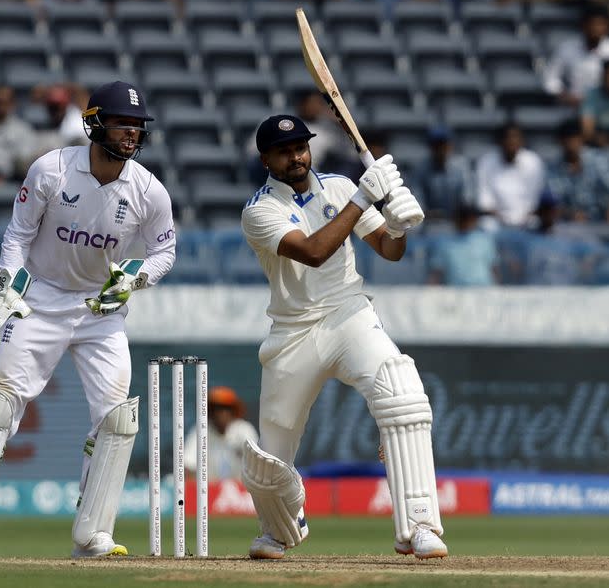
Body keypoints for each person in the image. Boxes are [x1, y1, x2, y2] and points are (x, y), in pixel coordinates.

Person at [0, 80, 176, 559]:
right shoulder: (50, 170)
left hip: (100, 310)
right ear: (94, 123)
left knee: (116, 419)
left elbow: (164, 250)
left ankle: (92, 536)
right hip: (40, 301)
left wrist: (135, 280)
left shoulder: (149, 190)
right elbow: (16, 238)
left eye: (137, 126)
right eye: (122, 123)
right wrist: (9, 287)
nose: (131, 134)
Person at [240, 114, 447, 560]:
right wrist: (364, 195)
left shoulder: (336, 186)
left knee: (403, 393)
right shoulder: (259, 211)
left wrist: (396, 224)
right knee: (271, 455)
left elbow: (389, 252)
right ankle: (279, 529)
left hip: (350, 313)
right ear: (266, 159)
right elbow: (314, 252)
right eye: (284, 151)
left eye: (301, 147)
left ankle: (420, 527)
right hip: (294, 332)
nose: (296, 157)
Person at [542, 3, 609, 107]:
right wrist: (565, 96)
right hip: (572, 106)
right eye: (592, 24)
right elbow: (550, 79)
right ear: (583, 25)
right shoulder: (566, 49)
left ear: (607, 27)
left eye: (600, 24)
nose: (596, 29)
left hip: (608, 108)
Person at [546, 117, 609, 223]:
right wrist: (571, 214)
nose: (571, 144)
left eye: (574, 139)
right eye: (567, 140)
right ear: (560, 142)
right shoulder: (554, 169)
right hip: (570, 224)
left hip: (602, 219)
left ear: (581, 139)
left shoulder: (598, 160)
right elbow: (556, 203)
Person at [475, 122, 545, 229]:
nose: (511, 141)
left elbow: (536, 199)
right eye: (507, 138)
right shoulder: (486, 162)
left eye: (515, 137)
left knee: (537, 223)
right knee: (486, 224)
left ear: (522, 141)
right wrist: (501, 217)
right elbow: (485, 200)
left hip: (527, 219)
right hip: (497, 219)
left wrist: (523, 218)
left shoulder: (534, 161)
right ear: (499, 141)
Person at [184, 386, 259, 481]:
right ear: (209, 412)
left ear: (233, 411)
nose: (222, 413)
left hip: (242, 489)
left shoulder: (243, 429)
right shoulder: (200, 432)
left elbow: (258, 465)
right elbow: (188, 467)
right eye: (216, 408)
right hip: (210, 489)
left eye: (226, 408)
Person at [409, 126, 473, 220]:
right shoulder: (421, 169)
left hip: (459, 221)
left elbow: (468, 197)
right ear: (430, 147)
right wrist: (428, 213)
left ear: (450, 145)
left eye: (443, 144)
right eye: (436, 145)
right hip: (429, 222)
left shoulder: (462, 166)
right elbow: (417, 200)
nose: (441, 149)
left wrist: (461, 211)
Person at [428, 204, 498, 285]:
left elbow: (493, 268)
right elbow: (436, 273)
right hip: (455, 293)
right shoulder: (444, 244)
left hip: (483, 290)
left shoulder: (485, 240)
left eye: (468, 217)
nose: (465, 221)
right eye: (462, 217)